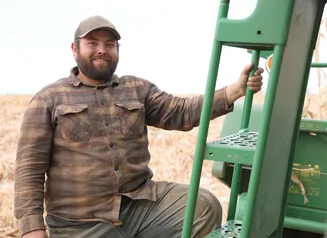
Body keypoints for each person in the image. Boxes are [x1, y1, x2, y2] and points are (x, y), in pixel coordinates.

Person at [14, 15, 264, 238]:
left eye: (109, 44)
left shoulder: (136, 88)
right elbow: (29, 171)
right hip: (80, 224)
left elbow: (181, 111)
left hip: (140, 205)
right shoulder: (49, 98)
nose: (102, 50)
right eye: (93, 43)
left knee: (204, 205)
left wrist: (235, 91)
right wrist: (32, 229)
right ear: (75, 48)